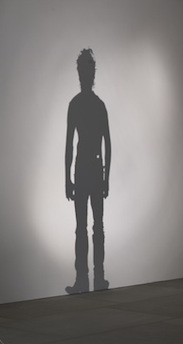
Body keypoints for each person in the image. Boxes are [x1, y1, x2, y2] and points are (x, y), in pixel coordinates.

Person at [64, 48, 111, 294]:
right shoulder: (88, 105)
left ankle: (92, 279)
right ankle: (89, 279)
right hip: (86, 168)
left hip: (87, 168)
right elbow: (70, 145)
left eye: (86, 71)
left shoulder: (86, 105)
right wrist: (67, 178)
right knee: (87, 227)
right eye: (83, 71)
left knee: (91, 227)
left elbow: (106, 143)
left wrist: (106, 178)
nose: (85, 75)